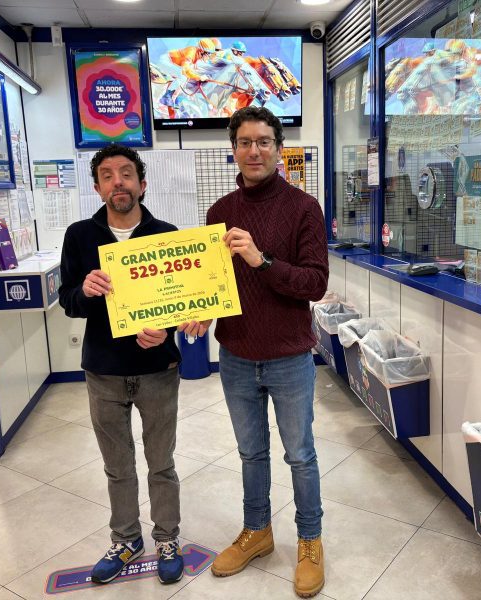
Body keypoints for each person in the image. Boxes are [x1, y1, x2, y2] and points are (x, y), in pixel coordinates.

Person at [180, 106, 329, 597]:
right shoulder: (219, 213)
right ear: (234, 150)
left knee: (300, 455)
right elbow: (215, 283)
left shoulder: (304, 208)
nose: (254, 150)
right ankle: (257, 532)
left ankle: (309, 540)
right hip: (237, 355)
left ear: (279, 149)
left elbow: (315, 284)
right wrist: (203, 310)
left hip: (289, 356)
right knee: (250, 453)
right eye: (244, 142)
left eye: (264, 141)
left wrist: (262, 261)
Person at [58, 143, 184, 586]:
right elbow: (68, 301)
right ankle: (127, 538)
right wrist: (85, 291)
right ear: (97, 188)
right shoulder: (79, 236)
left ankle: (167, 538)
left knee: (161, 463)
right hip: (104, 370)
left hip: (158, 369)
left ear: (142, 184)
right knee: (117, 465)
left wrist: (166, 329)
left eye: (126, 174)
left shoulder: (166, 235)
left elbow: (181, 300)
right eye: (108, 176)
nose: (118, 182)